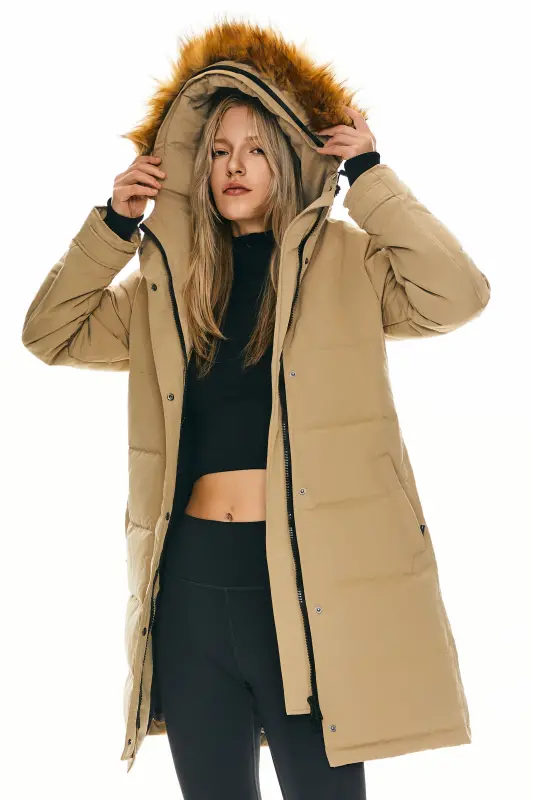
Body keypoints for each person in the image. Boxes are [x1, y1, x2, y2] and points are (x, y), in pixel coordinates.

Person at [21, 18, 491, 799]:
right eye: (217, 151)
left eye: (256, 149)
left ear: (292, 159)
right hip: (192, 589)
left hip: (307, 592)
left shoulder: (349, 263)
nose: (234, 166)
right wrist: (114, 226)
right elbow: (49, 332)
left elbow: (458, 294)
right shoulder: (167, 286)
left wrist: (368, 173)